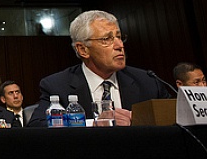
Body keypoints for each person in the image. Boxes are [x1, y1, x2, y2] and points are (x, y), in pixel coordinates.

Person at [27, 10, 171, 127]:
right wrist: (93, 124)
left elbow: (174, 121)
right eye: (106, 39)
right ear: (83, 50)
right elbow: (37, 126)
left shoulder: (148, 81)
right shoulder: (57, 85)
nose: (119, 45)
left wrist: (138, 121)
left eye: (119, 37)